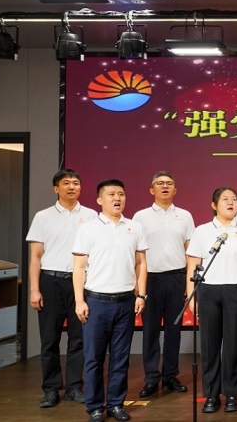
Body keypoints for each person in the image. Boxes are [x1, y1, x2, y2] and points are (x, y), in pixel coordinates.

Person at [72, 179, 148, 422]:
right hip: (96, 302)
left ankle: (115, 404)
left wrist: (141, 294)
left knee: (120, 358)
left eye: (121, 194)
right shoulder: (88, 228)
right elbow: (79, 267)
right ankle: (95, 407)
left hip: (126, 301)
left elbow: (140, 263)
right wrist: (79, 301)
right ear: (99, 199)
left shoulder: (134, 227)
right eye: (112, 194)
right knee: (94, 358)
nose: (117, 198)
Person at [26, 169, 97, 408]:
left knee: (79, 338)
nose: (71, 187)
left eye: (76, 183)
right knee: (49, 339)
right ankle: (51, 389)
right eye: (66, 183)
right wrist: (34, 289)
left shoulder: (91, 216)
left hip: (81, 283)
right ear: (56, 188)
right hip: (51, 281)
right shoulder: (43, 217)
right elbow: (36, 257)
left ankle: (74, 387)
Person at [186, 187, 237, 414]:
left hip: (236, 290)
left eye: (234, 199)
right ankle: (211, 394)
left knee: (233, 344)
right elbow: (193, 266)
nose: (231, 203)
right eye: (225, 199)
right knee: (209, 345)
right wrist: (191, 296)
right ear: (214, 204)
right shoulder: (202, 231)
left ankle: (231, 393)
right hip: (208, 290)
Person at [132, 171, 194, 398]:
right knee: (150, 331)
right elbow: (136, 253)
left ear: (175, 190)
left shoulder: (185, 216)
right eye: (160, 183)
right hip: (150, 279)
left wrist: (188, 283)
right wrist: (138, 283)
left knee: (173, 330)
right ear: (152, 189)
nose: (165, 186)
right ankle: (151, 378)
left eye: (169, 183)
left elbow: (190, 251)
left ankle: (170, 376)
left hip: (177, 277)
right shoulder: (140, 217)